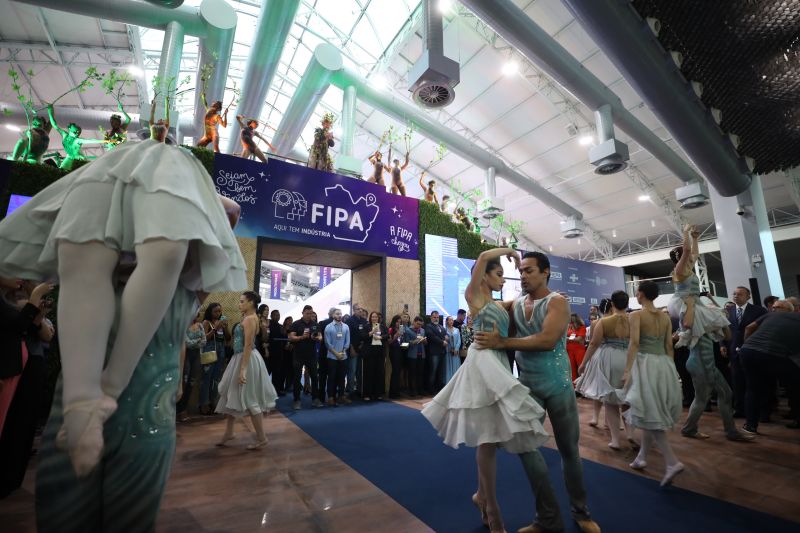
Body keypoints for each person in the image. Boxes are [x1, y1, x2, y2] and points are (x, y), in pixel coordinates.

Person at [0, 128, 247, 478]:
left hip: (140, 406)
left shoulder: (179, 284)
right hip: (105, 406)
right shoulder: (115, 264)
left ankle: (88, 406)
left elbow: (228, 213)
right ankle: (87, 407)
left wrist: (177, 172)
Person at [422, 248, 548, 533]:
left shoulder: (497, 304)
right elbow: (480, 260)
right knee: (487, 439)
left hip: (499, 364)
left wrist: (551, 297)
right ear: (485, 276)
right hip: (483, 366)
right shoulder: (475, 297)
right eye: (499, 274)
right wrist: (510, 252)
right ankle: (492, 509)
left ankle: (482, 498)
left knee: (489, 439)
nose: (504, 280)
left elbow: (523, 303)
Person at [474, 251, 600, 533]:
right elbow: (485, 304)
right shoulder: (517, 303)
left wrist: (502, 341)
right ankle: (547, 518)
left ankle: (581, 512)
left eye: (529, 270)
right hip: (527, 387)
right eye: (521, 271)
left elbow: (546, 340)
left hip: (558, 385)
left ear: (546, 272)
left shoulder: (558, 302)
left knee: (569, 450)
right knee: (526, 448)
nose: (523, 276)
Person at [621, 280, 685, 487]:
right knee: (651, 410)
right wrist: (671, 369)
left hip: (645, 364)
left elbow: (635, 343)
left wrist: (628, 369)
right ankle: (641, 457)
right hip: (664, 365)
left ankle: (671, 461)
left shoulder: (636, 315)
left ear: (640, 294)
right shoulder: (665, 317)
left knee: (651, 413)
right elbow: (669, 345)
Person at [215, 291, 276, 449]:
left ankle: (262, 438)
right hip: (240, 358)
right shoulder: (250, 317)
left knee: (249, 399)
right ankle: (229, 432)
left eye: (242, 301)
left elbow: (248, 345)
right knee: (231, 395)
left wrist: (243, 369)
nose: (239, 304)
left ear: (251, 303)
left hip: (245, 359)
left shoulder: (249, 319)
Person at [739, 299, 800, 434]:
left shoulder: (770, 315)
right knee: (795, 384)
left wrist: (747, 344)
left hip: (748, 351)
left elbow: (749, 327)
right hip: (774, 355)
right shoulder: (796, 318)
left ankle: (750, 426)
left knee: (752, 389)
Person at [667, 225, 730, 349]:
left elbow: (694, 253)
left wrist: (695, 238)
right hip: (683, 301)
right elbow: (687, 250)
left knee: (716, 317)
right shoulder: (680, 270)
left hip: (693, 299)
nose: (692, 256)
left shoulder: (689, 269)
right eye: (688, 255)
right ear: (681, 258)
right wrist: (685, 232)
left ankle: (687, 334)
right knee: (711, 317)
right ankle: (684, 334)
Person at [724, 285, 767, 417]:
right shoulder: (728, 311)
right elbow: (724, 328)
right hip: (734, 352)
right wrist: (722, 344)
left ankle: (762, 411)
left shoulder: (759, 311)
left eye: (740, 294)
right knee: (737, 382)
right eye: (734, 294)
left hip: (753, 350)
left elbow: (763, 330)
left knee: (756, 382)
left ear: (748, 297)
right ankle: (740, 409)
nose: (736, 296)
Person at [576, 298, 616, 435]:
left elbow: (592, 342)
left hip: (597, 355)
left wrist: (586, 362)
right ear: (612, 308)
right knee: (609, 389)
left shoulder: (595, 322)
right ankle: (606, 420)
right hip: (609, 356)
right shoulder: (614, 321)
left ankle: (596, 417)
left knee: (598, 389)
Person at [47, 103, 107, 170]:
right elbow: (55, 125)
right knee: (61, 170)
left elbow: (90, 140)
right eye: (75, 131)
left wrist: (105, 140)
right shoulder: (65, 134)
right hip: (70, 157)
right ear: (70, 129)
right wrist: (50, 111)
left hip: (78, 159)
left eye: (78, 133)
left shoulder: (77, 140)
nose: (76, 133)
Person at [288, 305, 322, 409]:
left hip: (311, 355)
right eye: (307, 313)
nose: (309, 315)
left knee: (315, 378)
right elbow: (291, 337)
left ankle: (315, 399)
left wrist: (315, 337)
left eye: (311, 313)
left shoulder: (315, 324)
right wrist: (302, 337)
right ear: (302, 313)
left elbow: (320, 337)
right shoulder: (296, 324)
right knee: (297, 378)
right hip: (298, 355)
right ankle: (297, 400)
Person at [200, 303, 229, 415]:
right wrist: (215, 329)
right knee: (206, 379)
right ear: (210, 312)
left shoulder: (222, 323)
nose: (218, 313)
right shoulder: (206, 322)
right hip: (210, 350)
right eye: (216, 311)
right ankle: (203, 404)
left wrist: (225, 328)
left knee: (216, 379)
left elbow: (228, 338)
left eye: (219, 311)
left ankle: (213, 402)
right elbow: (203, 339)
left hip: (221, 351)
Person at [176, 310, 205, 421]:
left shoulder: (200, 325)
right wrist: (196, 341)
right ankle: (177, 410)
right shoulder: (183, 325)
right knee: (183, 381)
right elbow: (186, 343)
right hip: (186, 355)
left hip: (196, 356)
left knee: (191, 383)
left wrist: (195, 342)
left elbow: (204, 341)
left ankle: (183, 409)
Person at [324, 308, 350, 406]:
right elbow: (327, 343)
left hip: (343, 356)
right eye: (337, 314)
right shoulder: (328, 327)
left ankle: (341, 396)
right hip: (332, 357)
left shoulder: (346, 327)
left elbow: (347, 342)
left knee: (342, 377)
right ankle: (331, 397)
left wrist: (343, 352)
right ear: (333, 315)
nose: (339, 315)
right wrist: (336, 354)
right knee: (331, 377)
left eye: (340, 314)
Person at [362, 311, 388, 401]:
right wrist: (372, 331)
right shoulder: (367, 326)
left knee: (379, 373)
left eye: (376, 317)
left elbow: (387, 335)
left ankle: (378, 394)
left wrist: (381, 337)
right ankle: (367, 394)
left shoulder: (383, 327)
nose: (374, 318)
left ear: (378, 318)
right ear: (370, 318)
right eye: (372, 317)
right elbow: (363, 337)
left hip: (380, 352)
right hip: (369, 352)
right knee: (368, 373)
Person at [425, 310, 448, 393]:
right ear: (431, 317)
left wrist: (447, 337)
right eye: (434, 317)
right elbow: (432, 336)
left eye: (437, 317)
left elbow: (446, 334)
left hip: (442, 352)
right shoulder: (428, 326)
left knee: (440, 371)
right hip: (434, 352)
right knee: (433, 371)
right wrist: (442, 342)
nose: (436, 319)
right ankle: (430, 390)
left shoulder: (441, 327)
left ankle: (439, 390)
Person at [403, 316, 427, 397]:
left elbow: (426, 343)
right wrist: (414, 341)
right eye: (418, 324)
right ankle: (412, 390)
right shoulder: (408, 330)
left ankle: (420, 389)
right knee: (412, 373)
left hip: (422, 354)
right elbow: (405, 343)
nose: (419, 326)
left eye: (421, 324)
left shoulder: (423, 330)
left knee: (420, 373)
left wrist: (424, 341)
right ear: (414, 322)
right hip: (412, 355)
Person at [567, 313, 587, 385]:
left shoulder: (582, 327)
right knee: (572, 369)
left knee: (581, 369)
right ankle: (574, 386)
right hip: (569, 350)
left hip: (579, 350)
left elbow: (579, 339)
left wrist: (567, 339)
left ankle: (583, 386)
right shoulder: (569, 327)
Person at [387, 314, 405, 399]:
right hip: (393, 351)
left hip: (400, 351)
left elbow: (401, 341)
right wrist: (395, 336)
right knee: (395, 371)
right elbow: (389, 342)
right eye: (397, 322)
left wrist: (403, 341)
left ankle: (397, 391)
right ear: (394, 322)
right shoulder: (391, 329)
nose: (398, 323)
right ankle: (392, 393)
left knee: (398, 372)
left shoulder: (400, 330)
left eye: (400, 322)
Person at [442, 315, 462, 384]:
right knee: (448, 368)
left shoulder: (456, 329)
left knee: (456, 367)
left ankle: (456, 383)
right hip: (448, 351)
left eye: (452, 320)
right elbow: (444, 340)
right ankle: (448, 383)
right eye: (450, 320)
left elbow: (459, 340)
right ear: (447, 321)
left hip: (456, 352)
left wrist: (456, 349)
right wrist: (450, 348)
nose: (451, 321)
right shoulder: (444, 330)